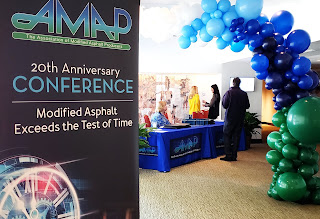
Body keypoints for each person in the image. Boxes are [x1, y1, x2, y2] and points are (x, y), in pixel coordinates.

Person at [221, 77, 250, 161]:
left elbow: (225, 105)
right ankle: (234, 156)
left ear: (233, 83)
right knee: (236, 137)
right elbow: (247, 106)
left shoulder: (229, 93)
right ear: (239, 83)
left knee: (227, 135)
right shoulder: (244, 94)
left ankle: (228, 155)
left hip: (230, 118)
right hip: (240, 118)